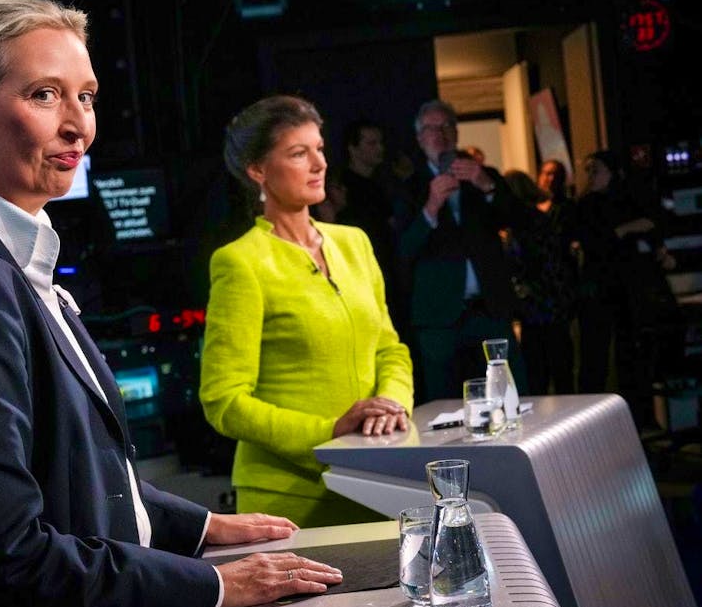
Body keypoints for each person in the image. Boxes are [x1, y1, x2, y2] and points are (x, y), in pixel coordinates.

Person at [0, 0, 344, 607]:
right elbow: (7, 553)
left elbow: (77, 473)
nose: (79, 125)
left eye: (88, 96)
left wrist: (202, 527)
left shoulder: (8, 261)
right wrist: (216, 585)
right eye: (46, 95)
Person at [199, 95, 414, 529]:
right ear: (258, 171)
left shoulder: (354, 242)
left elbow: (390, 348)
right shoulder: (240, 262)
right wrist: (331, 430)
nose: (319, 164)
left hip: (377, 481)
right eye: (299, 153)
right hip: (290, 498)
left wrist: (392, 401)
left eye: (320, 149)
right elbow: (223, 401)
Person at [392, 99, 528, 402]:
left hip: (490, 309)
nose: (439, 135)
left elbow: (520, 220)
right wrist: (430, 208)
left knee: (511, 399)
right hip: (439, 317)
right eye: (430, 129)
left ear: (456, 132)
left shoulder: (483, 175)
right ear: (419, 138)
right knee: (444, 408)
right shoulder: (408, 188)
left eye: (445, 127)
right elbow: (403, 249)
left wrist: (486, 185)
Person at [575, 150, 677, 428]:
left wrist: (652, 243)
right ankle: (591, 419)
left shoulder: (625, 200)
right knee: (596, 355)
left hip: (626, 287)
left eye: (597, 170)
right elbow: (597, 242)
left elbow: (653, 223)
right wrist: (624, 231)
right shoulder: (587, 205)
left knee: (629, 352)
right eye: (590, 171)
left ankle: (638, 415)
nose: (591, 176)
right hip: (600, 288)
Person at [502, 170, 576, 395]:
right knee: (558, 369)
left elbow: (533, 263)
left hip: (539, 304)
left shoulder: (524, 225)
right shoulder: (538, 220)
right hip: (551, 303)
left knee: (539, 370)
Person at [334, 120, 412, 333]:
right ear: (353, 148)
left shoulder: (381, 185)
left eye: (380, 142)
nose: (380, 148)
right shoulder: (342, 188)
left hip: (389, 274)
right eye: (371, 143)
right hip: (364, 277)